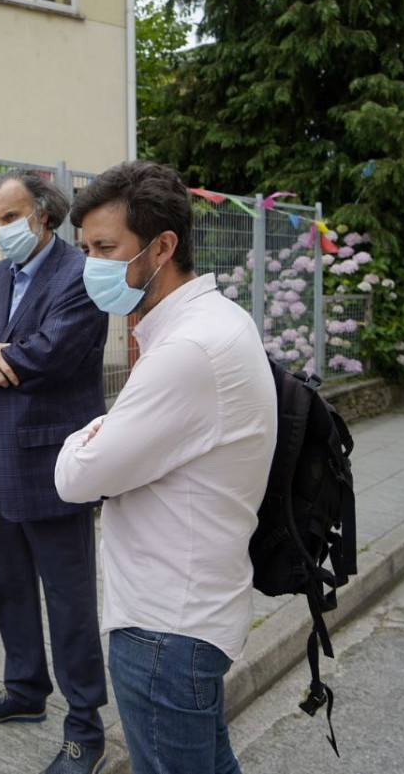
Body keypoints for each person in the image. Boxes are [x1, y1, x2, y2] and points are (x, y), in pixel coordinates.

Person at [55, 161, 277, 774]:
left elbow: (77, 478)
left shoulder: (186, 350)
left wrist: (88, 434)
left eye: (104, 248)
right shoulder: (216, 323)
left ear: (163, 247)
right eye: (85, 249)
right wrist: (109, 436)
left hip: (164, 628)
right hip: (191, 611)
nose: (90, 265)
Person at [0, 169, 110, 774]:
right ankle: (25, 690)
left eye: (9, 218)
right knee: (8, 587)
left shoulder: (80, 275)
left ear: (43, 215)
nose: (0, 232)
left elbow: (49, 353)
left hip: (54, 465)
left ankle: (85, 729)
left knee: (69, 604)